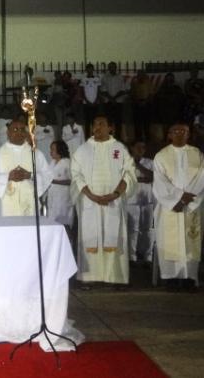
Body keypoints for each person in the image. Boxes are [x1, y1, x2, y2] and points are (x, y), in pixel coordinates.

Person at [70, 114, 137, 288]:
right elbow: (75, 175)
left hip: (113, 202)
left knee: (113, 236)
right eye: (95, 124)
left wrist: (115, 194)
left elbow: (129, 174)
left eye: (102, 124)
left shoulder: (119, 149)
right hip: (89, 202)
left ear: (110, 128)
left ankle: (115, 277)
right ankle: (89, 278)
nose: (97, 127)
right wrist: (90, 195)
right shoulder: (82, 150)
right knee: (90, 237)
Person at [153, 123, 204, 292]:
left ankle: (189, 278)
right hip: (170, 207)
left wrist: (184, 201)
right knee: (168, 241)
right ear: (169, 134)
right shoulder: (161, 156)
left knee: (191, 239)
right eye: (176, 131)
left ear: (188, 135)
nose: (180, 134)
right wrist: (176, 199)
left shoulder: (197, 154)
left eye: (184, 131)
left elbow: (202, 179)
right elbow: (160, 182)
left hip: (192, 206)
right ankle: (171, 278)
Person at [0, 119, 52, 217]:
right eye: (15, 129)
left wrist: (30, 175)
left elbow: (47, 175)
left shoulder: (36, 154)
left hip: (29, 202)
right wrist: (8, 176)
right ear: (8, 132)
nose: (19, 132)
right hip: (4, 204)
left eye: (22, 129)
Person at [126, 140, 155, 265]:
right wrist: (142, 179)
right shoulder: (126, 161)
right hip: (131, 200)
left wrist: (138, 166)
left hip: (147, 199)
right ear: (132, 147)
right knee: (133, 229)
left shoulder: (149, 162)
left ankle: (148, 256)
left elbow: (152, 177)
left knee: (147, 229)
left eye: (143, 147)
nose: (141, 150)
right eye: (138, 147)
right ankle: (132, 256)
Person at [47, 140, 73, 228]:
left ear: (59, 150)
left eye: (53, 149)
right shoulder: (52, 162)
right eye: (50, 149)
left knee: (63, 223)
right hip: (52, 196)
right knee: (52, 222)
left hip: (63, 198)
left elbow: (72, 181)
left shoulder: (67, 162)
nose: (51, 152)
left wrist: (55, 181)